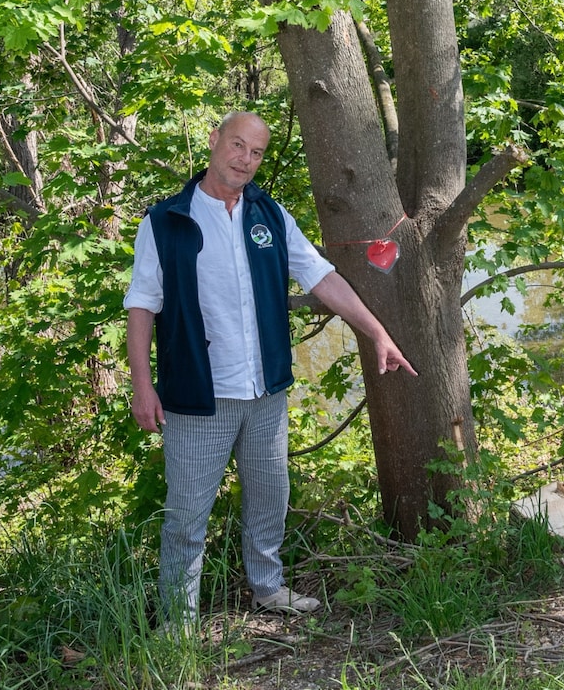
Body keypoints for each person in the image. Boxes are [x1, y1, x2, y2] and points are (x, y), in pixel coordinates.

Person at [124, 111, 416, 622]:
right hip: (197, 397)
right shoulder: (166, 221)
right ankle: (178, 621)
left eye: (256, 153)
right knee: (187, 518)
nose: (245, 160)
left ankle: (266, 586)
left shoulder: (270, 215)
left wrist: (378, 334)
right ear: (214, 141)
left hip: (265, 394)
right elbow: (142, 305)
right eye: (237, 146)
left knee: (269, 498)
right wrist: (142, 386)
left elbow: (322, 277)